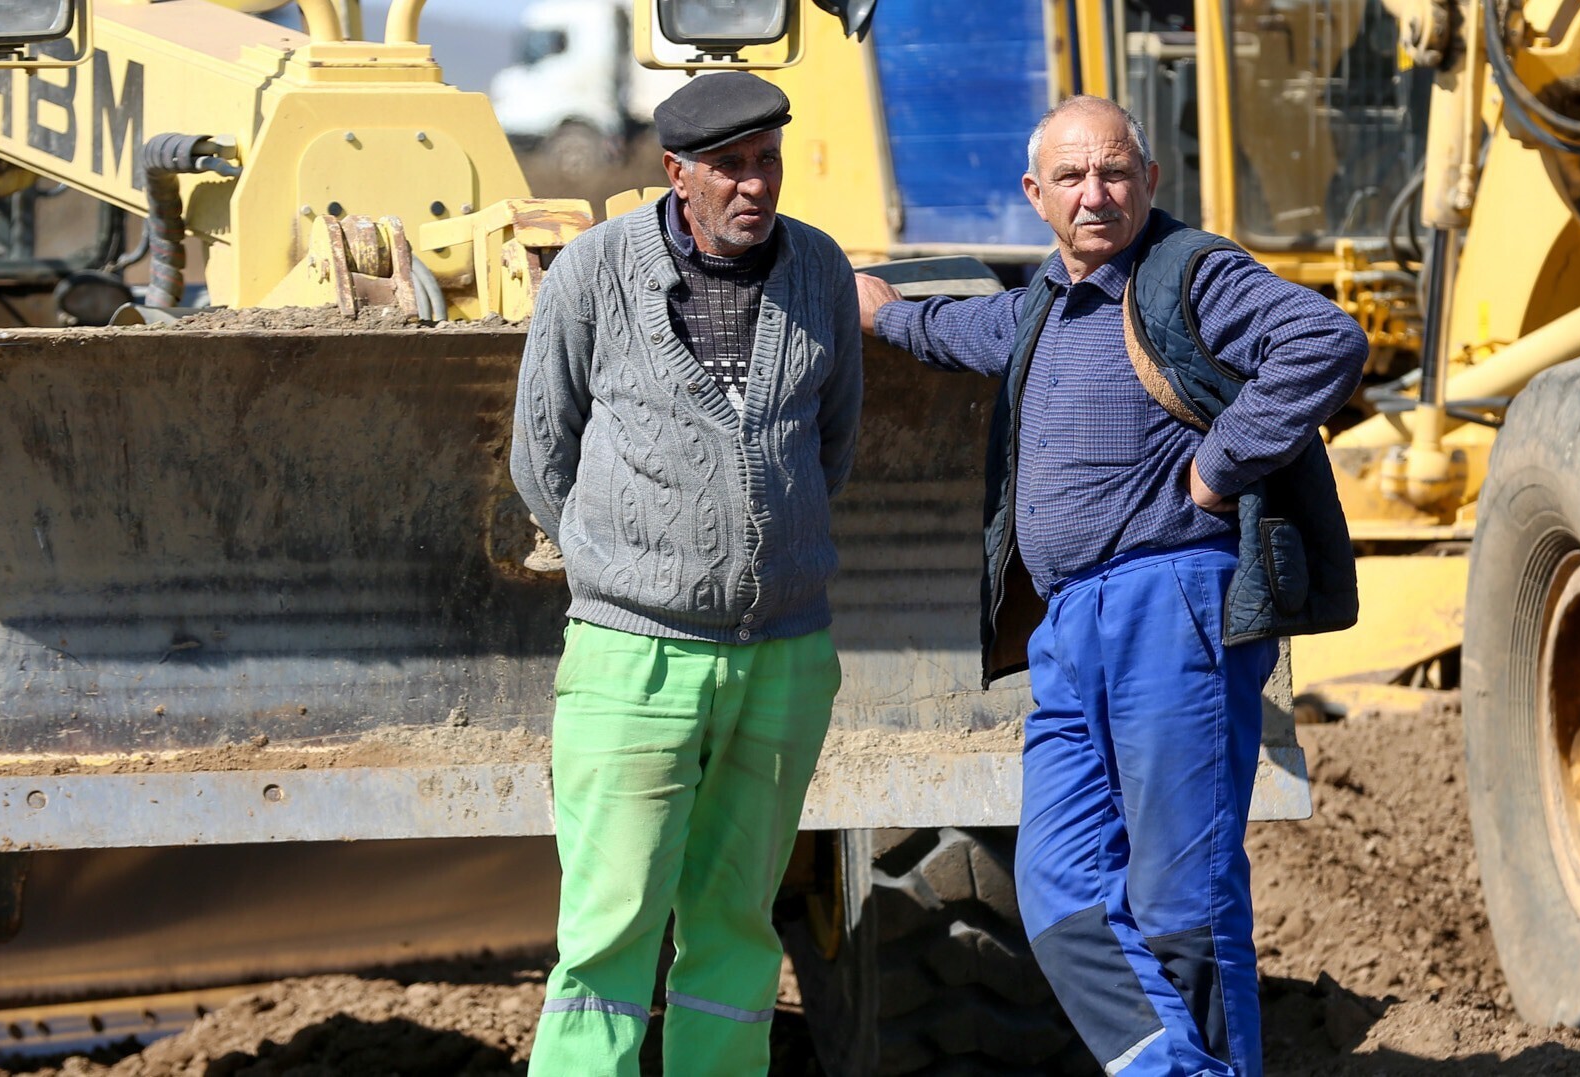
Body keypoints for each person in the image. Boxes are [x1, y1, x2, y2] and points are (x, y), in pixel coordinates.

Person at [854, 95, 1368, 1076]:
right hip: (1065, 628)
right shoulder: (1043, 307)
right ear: (1034, 194)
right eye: (1072, 176)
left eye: (1114, 171)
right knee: (1059, 896)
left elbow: (1325, 341)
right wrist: (885, 313)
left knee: (1182, 902)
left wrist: (1218, 466)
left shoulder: (1189, 275)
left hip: (1168, 604)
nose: (1095, 193)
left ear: (1148, 180)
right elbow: (964, 330)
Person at [511, 70, 862, 1076]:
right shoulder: (594, 273)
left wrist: (761, 550)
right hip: (634, 660)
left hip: (783, 659)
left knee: (737, 922)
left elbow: (830, 444)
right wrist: (636, 566)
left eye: (767, 162)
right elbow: (541, 454)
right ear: (677, 173)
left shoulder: (820, 270)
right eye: (729, 166)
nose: (755, 184)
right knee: (610, 924)